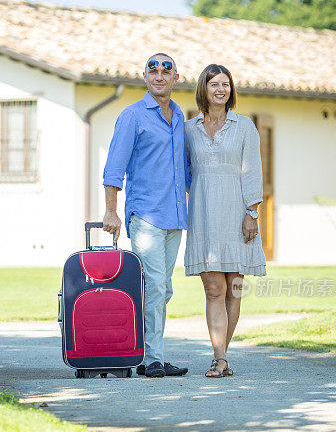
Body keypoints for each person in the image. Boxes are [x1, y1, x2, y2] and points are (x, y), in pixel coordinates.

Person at [102, 53, 189, 378]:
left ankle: (146, 351)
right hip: (146, 216)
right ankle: (150, 358)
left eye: (166, 70)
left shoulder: (180, 117)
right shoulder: (133, 116)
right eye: (153, 70)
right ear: (145, 77)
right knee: (153, 285)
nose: (159, 75)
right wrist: (111, 211)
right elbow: (114, 167)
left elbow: (186, 170)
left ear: (175, 77)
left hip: (175, 217)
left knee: (163, 289)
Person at [184, 64, 266, 377]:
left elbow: (253, 171)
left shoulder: (245, 126)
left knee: (235, 288)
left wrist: (252, 212)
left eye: (226, 84)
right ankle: (220, 357)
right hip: (204, 214)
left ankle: (222, 356)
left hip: (238, 214)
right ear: (203, 89)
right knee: (214, 289)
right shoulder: (189, 129)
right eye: (214, 84)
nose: (221, 90)